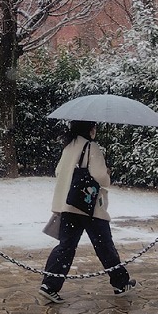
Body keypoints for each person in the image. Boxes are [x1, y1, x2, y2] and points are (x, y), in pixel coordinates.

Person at [38, 120, 135, 304]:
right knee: (104, 245)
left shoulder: (68, 147)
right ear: (89, 129)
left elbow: (59, 172)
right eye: (94, 127)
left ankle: (49, 285)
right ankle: (121, 283)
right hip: (90, 207)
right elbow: (100, 176)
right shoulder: (92, 146)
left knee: (65, 247)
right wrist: (107, 174)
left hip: (70, 205)